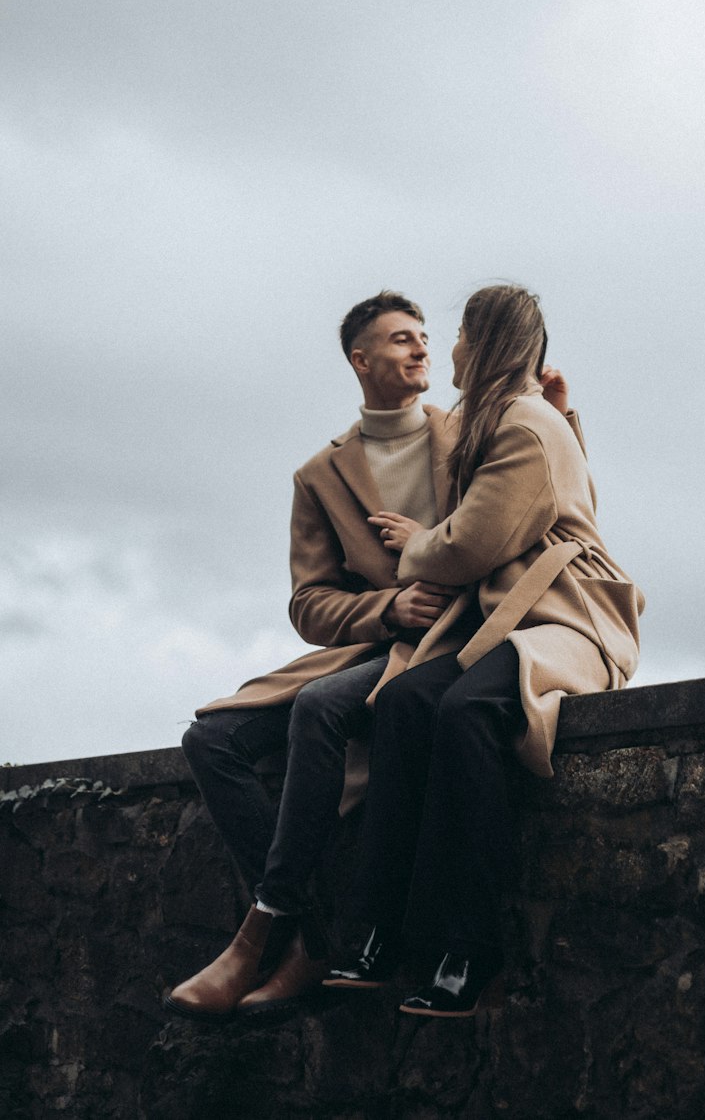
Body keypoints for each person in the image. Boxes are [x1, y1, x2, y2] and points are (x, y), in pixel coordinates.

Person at [164, 289, 579, 1022]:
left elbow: (537, 493)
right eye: (400, 339)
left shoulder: (477, 425)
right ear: (361, 360)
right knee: (212, 738)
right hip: (375, 645)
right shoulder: (319, 477)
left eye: (427, 336)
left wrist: (560, 410)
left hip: (456, 635)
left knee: (327, 712)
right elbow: (309, 605)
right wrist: (385, 606)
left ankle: (268, 931)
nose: (422, 348)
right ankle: (305, 935)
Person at [324, 284, 642, 1017]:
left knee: (466, 713)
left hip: (570, 615)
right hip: (513, 613)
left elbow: (471, 544)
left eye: (461, 333)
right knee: (405, 701)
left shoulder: (523, 425)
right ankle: (379, 936)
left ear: (490, 341)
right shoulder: (507, 417)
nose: (450, 347)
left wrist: (415, 548)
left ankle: (471, 952)